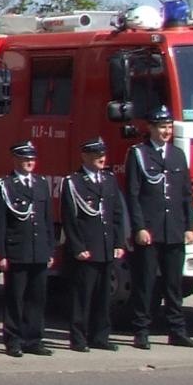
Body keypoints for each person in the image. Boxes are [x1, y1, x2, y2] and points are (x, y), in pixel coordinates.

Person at [123, 106, 193, 349]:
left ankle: (177, 331)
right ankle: (141, 331)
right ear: (150, 128)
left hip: (174, 230)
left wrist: (189, 226)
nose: (166, 131)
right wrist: (139, 227)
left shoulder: (177, 154)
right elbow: (133, 194)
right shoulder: (139, 154)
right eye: (161, 127)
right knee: (146, 283)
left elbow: (186, 194)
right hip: (150, 230)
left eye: (168, 127)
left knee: (173, 284)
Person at [62, 138, 127, 353]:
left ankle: (100, 336)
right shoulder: (74, 182)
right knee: (83, 296)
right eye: (96, 155)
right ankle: (78, 338)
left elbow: (116, 214)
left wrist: (118, 242)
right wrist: (78, 247)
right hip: (87, 249)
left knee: (103, 296)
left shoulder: (109, 179)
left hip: (106, 246)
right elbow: (70, 218)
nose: (101, 158)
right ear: (85, 156)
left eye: (103, 155)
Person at [0, 141, 55, 357]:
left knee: (37, 297)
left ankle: (33, 339)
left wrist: (50, 249)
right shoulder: (5, 185)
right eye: (25, 159)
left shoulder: (40, 183)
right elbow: (0, 222)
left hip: (38, 249)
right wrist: (1, 253)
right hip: (17, 250)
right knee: (15, 298)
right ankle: (13, 340)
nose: (30, 162)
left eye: (32, 159)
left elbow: (47, 219)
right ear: (15, 160)